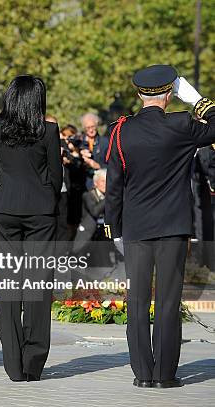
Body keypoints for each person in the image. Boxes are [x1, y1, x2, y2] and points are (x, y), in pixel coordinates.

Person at [105, 65, 215, 388]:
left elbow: (113, 185)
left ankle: (142, 374)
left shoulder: (120, 131)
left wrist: (114, 227)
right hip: (173, 227)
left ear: (140, 95)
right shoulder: (182, 125)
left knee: (137, 301)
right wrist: (197, 101)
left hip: (136, 228)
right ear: (169, 95)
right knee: (168, 301)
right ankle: (165, 375)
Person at [0, 75, 62, 382]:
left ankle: (14, 365)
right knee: (37, 287)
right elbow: (56, 175)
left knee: (9, 286)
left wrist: (4, 192)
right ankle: (33, 362)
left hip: (4, 209)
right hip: (40, 212)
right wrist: (44, 196)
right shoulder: (49, 130)